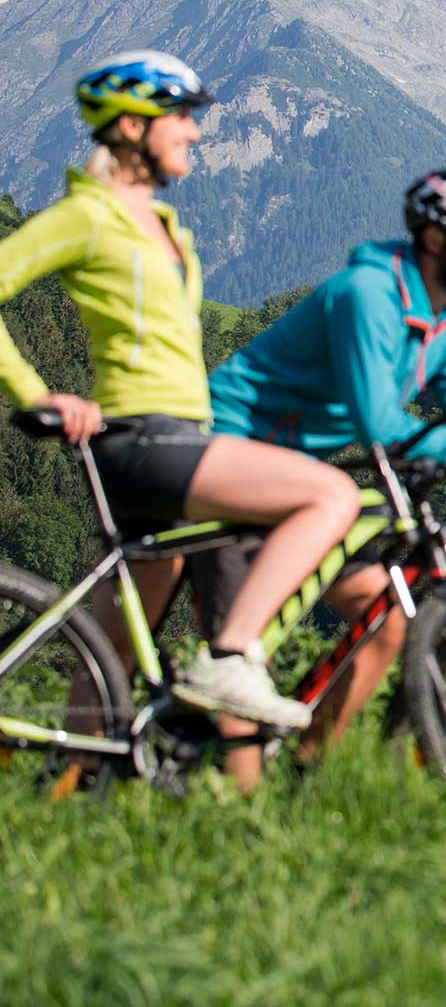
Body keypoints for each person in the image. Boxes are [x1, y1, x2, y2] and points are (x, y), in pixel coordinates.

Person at [0, 50, 360, 732]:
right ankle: (229, 656)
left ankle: (70, 785)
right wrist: (39, 393)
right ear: (133, 127)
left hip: (174, 436)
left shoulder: (165, 227)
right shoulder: (88, 214)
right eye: (181, 116)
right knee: (330, 493)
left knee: (111, 649)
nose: (195, 131)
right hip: (146, 441)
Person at [204, 169, 446, 765]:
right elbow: (377, 424)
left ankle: (305, 771)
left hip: (301, 477)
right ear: (433, 241)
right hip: (234, 454)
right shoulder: (369, 295)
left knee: (387, 619)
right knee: (242, 658)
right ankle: (235, 811)